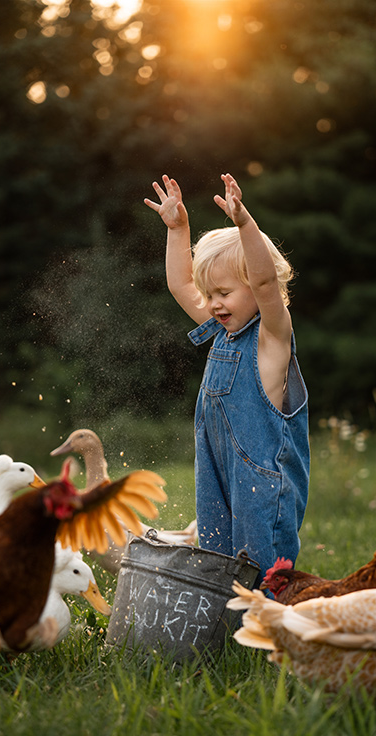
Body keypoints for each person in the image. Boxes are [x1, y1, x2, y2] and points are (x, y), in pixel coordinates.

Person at [144, 173, 310, 579]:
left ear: (253, 287)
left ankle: (268, 629)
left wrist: (244, 225)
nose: (214, 303)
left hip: (262, 484)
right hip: (216, 474)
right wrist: (178, 228)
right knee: (217, 560)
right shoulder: (223, 330)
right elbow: (181, 283)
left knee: (262, 567)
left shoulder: (271, 337)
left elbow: (266, 282)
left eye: (224, 292)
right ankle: (230, 632)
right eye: (211, 294)